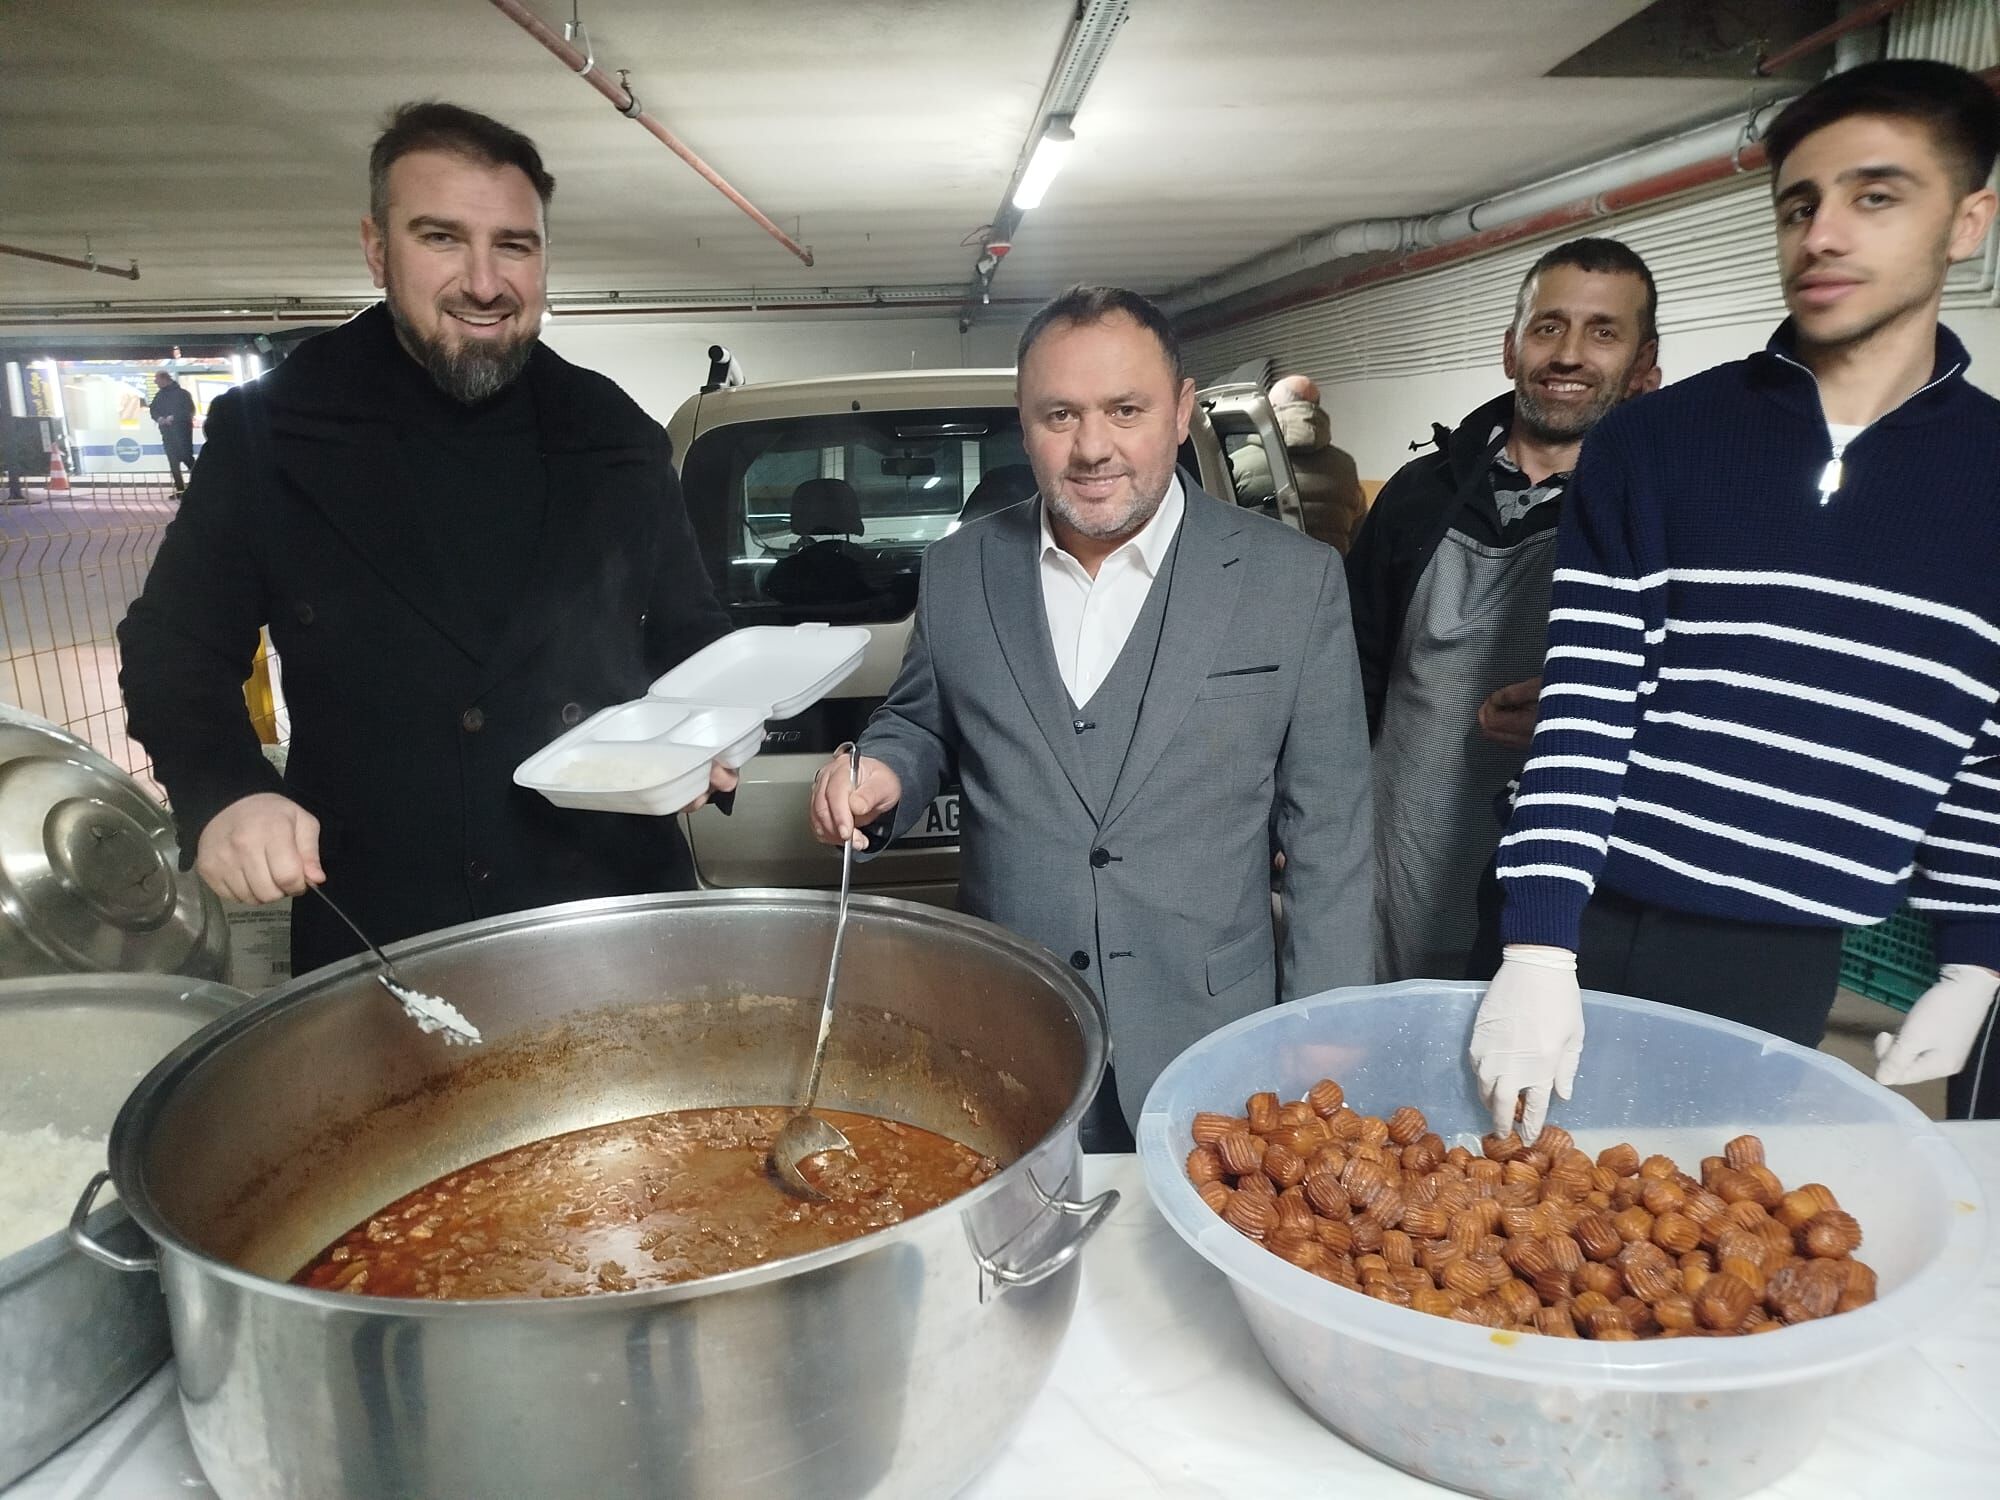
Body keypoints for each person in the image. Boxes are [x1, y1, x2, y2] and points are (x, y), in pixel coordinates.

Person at [1471, 59, 2000, 1138]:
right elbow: (1587, 702)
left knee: (1700, 1259)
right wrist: (1534, 943)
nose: (1822, 234)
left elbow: (1984, 748)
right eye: (1797, 205)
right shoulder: (1658, 444)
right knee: (1502, 1232)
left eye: (1874, 196)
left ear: (1967, 221)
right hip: (1591, 914)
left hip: (1787, 953)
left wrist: (1973, 959)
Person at [118, 102, 734, 976]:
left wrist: (713, 723)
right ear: (378, 247)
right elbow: (173, 644)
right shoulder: (278, 430)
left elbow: (687, 632)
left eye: (514, 245)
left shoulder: (616, 432)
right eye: (442, 238)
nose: (484, 282)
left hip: (605, 895)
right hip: (382, 913)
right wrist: (225, 790)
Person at [807, 285, 1372, 1146]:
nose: (1092, 448)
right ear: (1023, 423)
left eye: (1125, 409)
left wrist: (1327, 1020)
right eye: (1059, 415)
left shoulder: (1292, 582)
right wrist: (882, 768)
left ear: (1181, 412)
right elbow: (922, 720)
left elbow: (1331, 831)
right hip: (1012, 1026)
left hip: (1211, 1031)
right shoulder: (962, 571)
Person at [1345, 238, 1659, 983]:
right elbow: (1350, 671)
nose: (1570, 354)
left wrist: (1598, 703)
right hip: (1404, 851)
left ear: (1645, 366)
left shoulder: (1661, 514)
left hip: (1568, 862)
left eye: (1603, 332)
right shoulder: (1419, 495)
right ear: (1510, 348)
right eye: (1548, 326)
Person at [1270, 375, 1368, 554]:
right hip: (1329, 577)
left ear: (1274, 408)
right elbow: (1359, 533)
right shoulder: (1346, 466)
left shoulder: (1242, 459)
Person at [149, 370, 197, 494]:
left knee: (188, 459)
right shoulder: (159, 395)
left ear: (164, 379)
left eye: (157, 379)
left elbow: (189, 411)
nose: (155, 382)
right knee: (173, 463)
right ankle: (180, 490)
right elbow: (153, 410)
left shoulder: (182, 394)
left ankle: (198, 488)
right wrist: (159, 418)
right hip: (168, 435)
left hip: (182, 435)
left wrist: (174, 417)